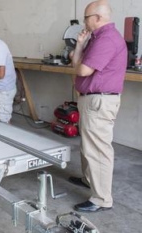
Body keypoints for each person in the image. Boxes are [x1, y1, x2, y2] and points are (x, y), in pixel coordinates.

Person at [68, 0, 127, 213]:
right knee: (88, 146)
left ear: (98, 18)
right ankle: (88, 179)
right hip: (91, 99)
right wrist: (80, 45)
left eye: (86, 17)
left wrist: (79, 61)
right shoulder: (96, 38)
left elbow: (82, 70)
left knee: (98, 150)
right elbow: (76, 64)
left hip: (99, 101)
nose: (84, 21)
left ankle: (102, 199)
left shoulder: (107, 39)